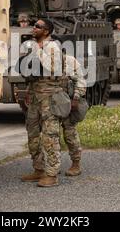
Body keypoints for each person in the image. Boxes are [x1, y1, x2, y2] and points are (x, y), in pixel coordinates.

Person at [21, 18, 69, 187]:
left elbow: (54, 68)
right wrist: (28, 90)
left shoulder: (52, 46)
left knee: (50, 136)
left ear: (47, 31)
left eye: (38, 26)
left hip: (49, 97)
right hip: (36, 96)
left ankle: (52, 175)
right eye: (34, 25)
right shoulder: (35, 46)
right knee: (32, 134)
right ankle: (39, 169)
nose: (34, 28)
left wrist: (40, 51)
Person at [60, 54, 87, 176]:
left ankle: (76, 163)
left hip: (68, 102)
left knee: (70, 133)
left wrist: (76, 98)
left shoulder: (70, 61)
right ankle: (52, 165)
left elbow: (80, 80)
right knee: (50, 135)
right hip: (51, 103)